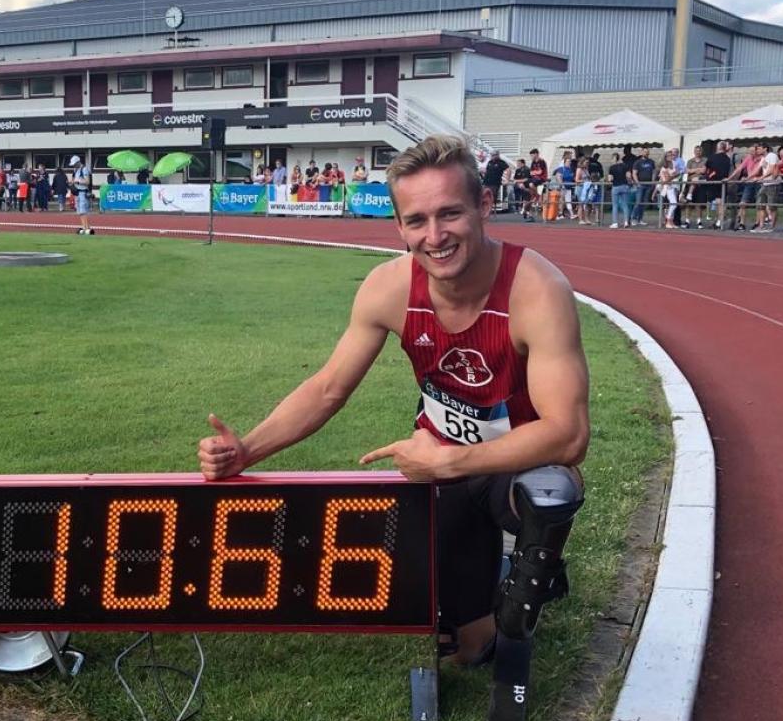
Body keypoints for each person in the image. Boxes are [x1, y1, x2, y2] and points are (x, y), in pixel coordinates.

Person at [198, 135, 588, 677]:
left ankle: (535, 568)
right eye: (417, 221)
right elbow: (329, 387)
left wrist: (450, 461)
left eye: (450, 213)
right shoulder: (387, 288)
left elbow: (568, 435)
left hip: (511, 464)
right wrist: (247, 451)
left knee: (553, 490)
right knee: (472, 650)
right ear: (399, 228)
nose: (435, 236)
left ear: (483, 206)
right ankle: (486, 590)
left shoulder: (537, 290)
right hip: (439, 462)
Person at [607, 152, 630, 229]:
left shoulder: (611, 167)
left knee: (615, 205)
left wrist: (610, 180)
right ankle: (626, 221)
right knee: (625, 205)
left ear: (614, 158)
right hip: (624, 185)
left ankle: (615, 223)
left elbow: (610, 179)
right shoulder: (625, 166)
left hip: (616, 186)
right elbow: (628, 176)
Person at [71, 156, 94, 234]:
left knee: (83, 211)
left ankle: (87, 228)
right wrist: (73, 182)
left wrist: (78, 181)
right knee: (80, 212)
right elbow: (75, 180)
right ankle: (84, 227)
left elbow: (87, 182)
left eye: (74, 164)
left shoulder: (84, 169)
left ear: (78, 162)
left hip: (83, 192)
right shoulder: (76, 170)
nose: (73, 166)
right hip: (77, 192)